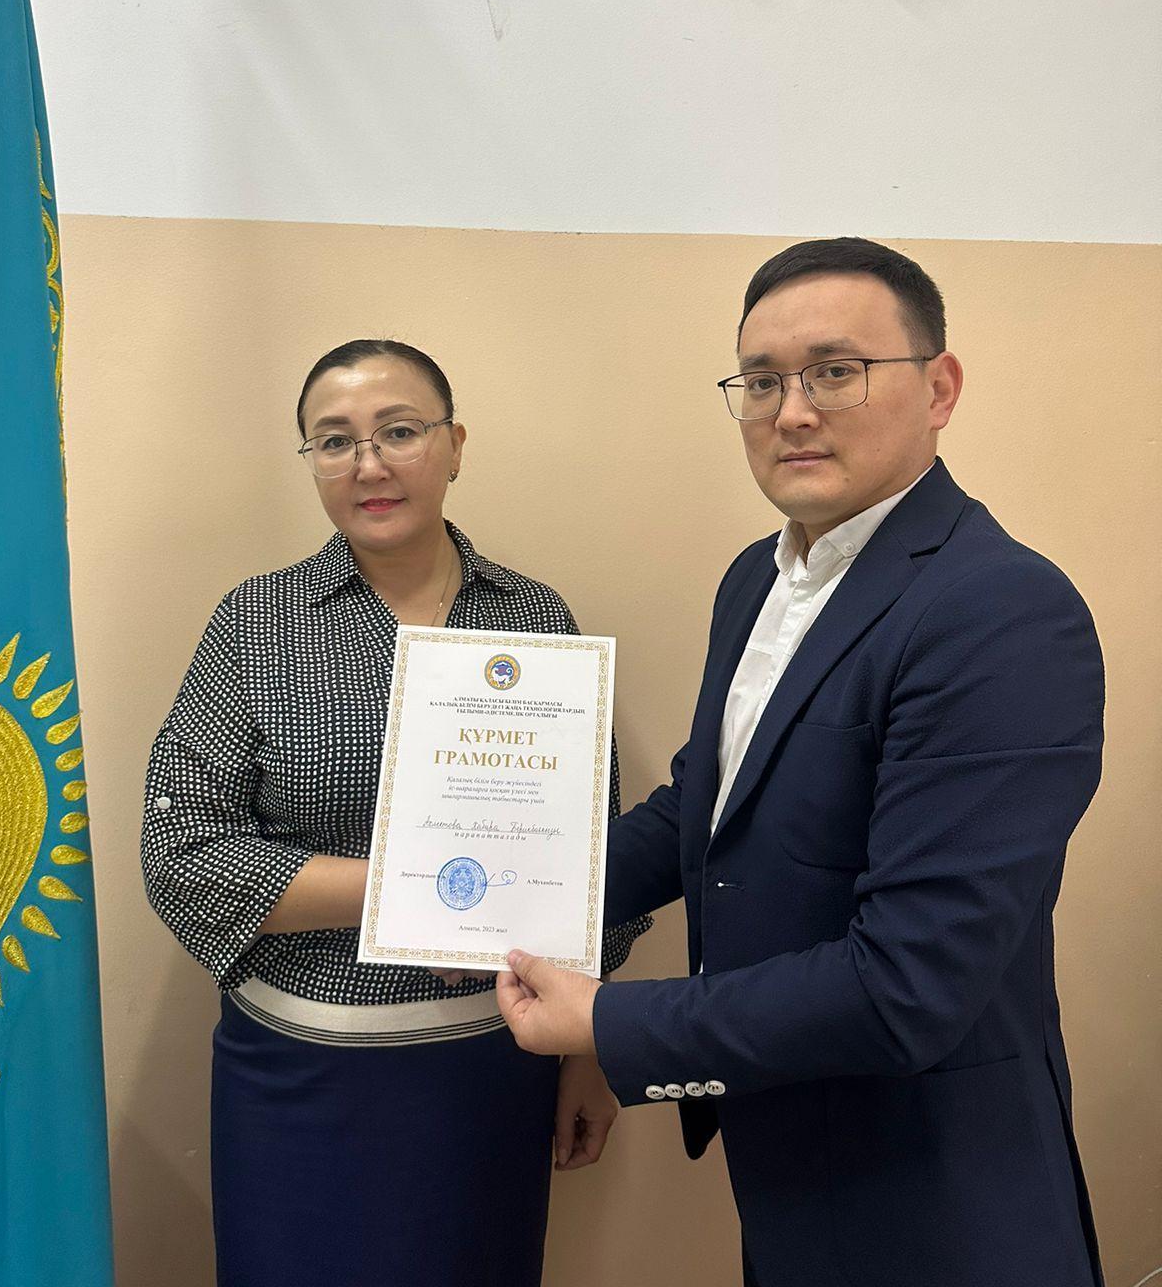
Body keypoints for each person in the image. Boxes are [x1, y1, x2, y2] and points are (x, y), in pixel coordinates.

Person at [496, 239, 1105, 1287]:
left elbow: (909, 983)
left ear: (939, 388)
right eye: (762, 381)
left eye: (835, 371)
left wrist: (607, 1020)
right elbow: (705, 810)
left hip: (932, 1187)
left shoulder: (1001, 610)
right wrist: (507, 900)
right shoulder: (758, 579)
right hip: (784, 1157)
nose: (792, 412)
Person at [141, 338, 645, 1287]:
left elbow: (595, 857)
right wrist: (414, 890)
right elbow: (181, 855)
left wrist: (591, 1052)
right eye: (334, 441)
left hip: (492, 1070)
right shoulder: (257, 622)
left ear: (455, 446)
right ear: (312, 463)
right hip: (296, 1075)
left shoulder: (535, 620)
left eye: (400, 432)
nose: (368, 464)